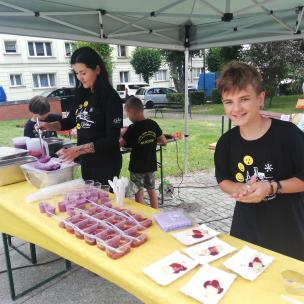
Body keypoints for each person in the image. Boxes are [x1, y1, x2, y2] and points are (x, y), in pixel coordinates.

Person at [214, 61, 304, 260]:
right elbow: (223, 179)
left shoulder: (289, 135)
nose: (236, 108)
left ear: (260, 98)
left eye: (244, 99)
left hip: (289, 234)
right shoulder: (226, 143)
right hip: (245, 232)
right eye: (229, 101)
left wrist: (271, 187)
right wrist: (239, 189)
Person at [38, 47, 123, 184]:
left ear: (97, 69)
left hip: (105, 162)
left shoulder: (110, 98)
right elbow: (70, 121)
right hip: (86, 160)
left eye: (83, 73)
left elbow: (112, 140)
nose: (79, 78)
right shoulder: (83, 94)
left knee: (104, 200)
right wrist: (49, 126)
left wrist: (77, 150)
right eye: (76, 73)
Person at [119, 97, 167, 209]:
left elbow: (120, 144)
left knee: (138, 192)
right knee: (151, 190)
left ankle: (144, 215)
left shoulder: (132, 128)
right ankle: (155, 213)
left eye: (128, 114)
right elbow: (163, 140)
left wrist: (122, 135)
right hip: (150, 164)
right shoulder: (152, 124)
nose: (128, 117)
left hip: (137, 167)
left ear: (133, 112)